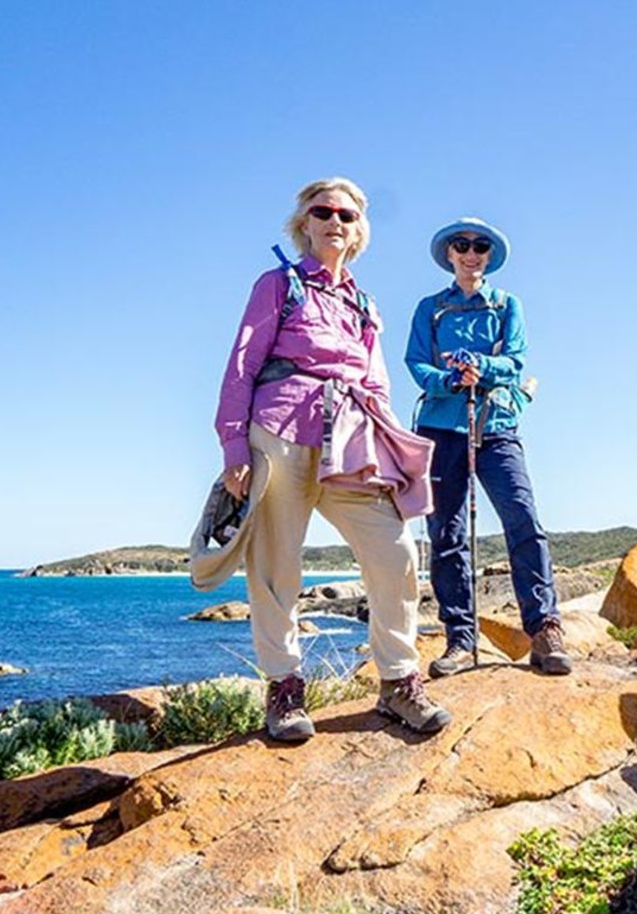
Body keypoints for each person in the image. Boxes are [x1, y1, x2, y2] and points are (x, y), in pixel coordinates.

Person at [210, 177, 450, 742]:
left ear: (358, 229)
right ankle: (285, 689)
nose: (335, 221)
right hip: (280, 431)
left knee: (394, 554)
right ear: (305, 223)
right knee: (276, 568)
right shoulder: (279, 285)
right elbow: (241, 365)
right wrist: (233, 447)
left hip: (352, 442)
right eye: (324, 211)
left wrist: (390, 450)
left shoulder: (364, 304)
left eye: (347, 214)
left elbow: (379, 384)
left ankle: (397, 682)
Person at [406, 217, 570, 679]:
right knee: (446, 533)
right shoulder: (430, 309)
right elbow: (416, 362)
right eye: (463, 245)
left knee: (522, 517)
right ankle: (460, 637)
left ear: (488, 256)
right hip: (441, 426)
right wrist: (448, 379)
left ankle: (544, 629)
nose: (472, 253)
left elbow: (514, 360)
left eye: (480, 247)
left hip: (496, 423)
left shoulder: (506, 305)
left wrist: (482, 367)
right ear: (451, 255)